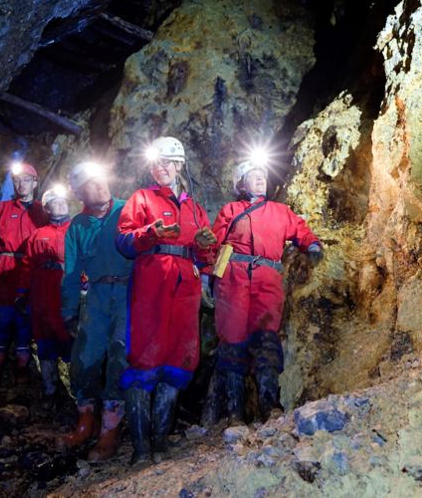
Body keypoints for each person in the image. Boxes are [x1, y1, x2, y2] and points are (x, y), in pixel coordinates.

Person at [116, 136, 216, 464]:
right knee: (144, 355)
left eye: (168, 162)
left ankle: (161, 441)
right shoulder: (142, 198)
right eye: (157, 163)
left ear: (179, 165)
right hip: (151, 285)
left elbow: (207, 255)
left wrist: (206, 246)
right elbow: (124, 243)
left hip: (185, 287)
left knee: (179, 357)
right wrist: (151, 232)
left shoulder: (194, 207)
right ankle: (141, 447)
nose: (162, 168)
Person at [210, 159, 323, 423]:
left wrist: (313, 245)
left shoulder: (280, 211)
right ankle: (234, 412)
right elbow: (214, 244)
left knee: (267, 338)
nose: (260, 178)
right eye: (253, 175)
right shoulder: (230, 210)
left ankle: (269, 405)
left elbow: (300, 230)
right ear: (241, 183)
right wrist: (208, 277)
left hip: (267, 278)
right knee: (232, 340)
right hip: (233, 278)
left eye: (262, 174)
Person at [57, 162, 133, 461]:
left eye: (101, 179)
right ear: (80, 193)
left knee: (120, 353)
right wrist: (69, 312)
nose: (100, 186)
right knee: (85, 357)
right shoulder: (77, 226)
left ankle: (110, 429)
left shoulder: (127, 210)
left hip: (130, 291)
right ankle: (85, 419)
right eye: (91, 183)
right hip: (98, 294)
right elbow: (72, 273)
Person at [0, 162, 47, 387]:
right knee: (1, 321)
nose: (20, 184)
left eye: (25, 179)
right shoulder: (2, 208)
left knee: (26, 325)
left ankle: (20, 375)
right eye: (16, 180)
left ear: (34, 182)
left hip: (32, 271)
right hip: (6, 269)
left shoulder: (42, 210)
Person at [19, 185, 73, 408]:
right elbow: (26, 265)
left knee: (71, 337)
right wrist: (22, 293)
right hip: (42, 291)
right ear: (48, 209)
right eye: (55, 203)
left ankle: (78, 392)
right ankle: (50, 390)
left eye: (63, 202)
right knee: (44, 339)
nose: (60, 206)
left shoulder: (76, 229)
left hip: (67, 290)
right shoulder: (38, 235)